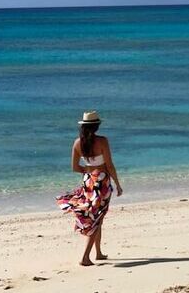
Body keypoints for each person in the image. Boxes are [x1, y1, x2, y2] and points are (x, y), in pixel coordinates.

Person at [55, 110, 123, 266]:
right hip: (102, 182)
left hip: (88, 182)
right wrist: (117, 184)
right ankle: (85, 257)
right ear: (96, 126)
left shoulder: (77, 143)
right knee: (97, 219)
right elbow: (110, 166)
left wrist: (89, 172)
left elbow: (75, 167)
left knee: (97, 217)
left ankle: (98, 253)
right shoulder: (102, 141)